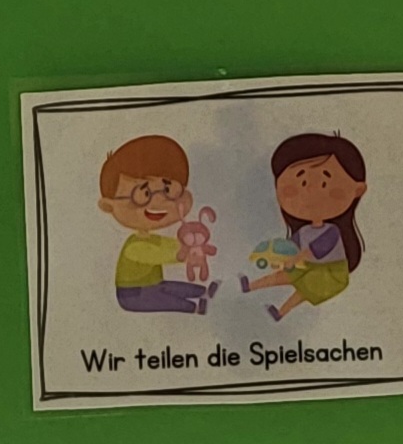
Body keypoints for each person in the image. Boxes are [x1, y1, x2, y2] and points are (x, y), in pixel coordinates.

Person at [242, 133, 366, 321]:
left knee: (303, 287)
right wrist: (281, 260)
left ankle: (280, 312)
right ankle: (251, 286)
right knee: (286, 274)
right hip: (310, 267)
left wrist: (295, 259)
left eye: (324, 183)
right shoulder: (304, 231)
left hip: (330, 272)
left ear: (357, 190)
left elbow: (315, 250)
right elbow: (291, 249)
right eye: (301, 182)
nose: (311, 191)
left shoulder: (332, 232)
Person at [98, 135, 215, 314]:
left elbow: (167, 244)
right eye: (144, 194)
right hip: (132, 295)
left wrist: (189, 244)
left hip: (154, 285)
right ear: (109, 205)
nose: (160, 200)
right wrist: (182, 254)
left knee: (172, 288)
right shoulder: (134, 246)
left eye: (168, 190)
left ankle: (204, 292)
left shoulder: (151, 238)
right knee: (170, 300)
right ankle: (195, 308)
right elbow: (154, 255)